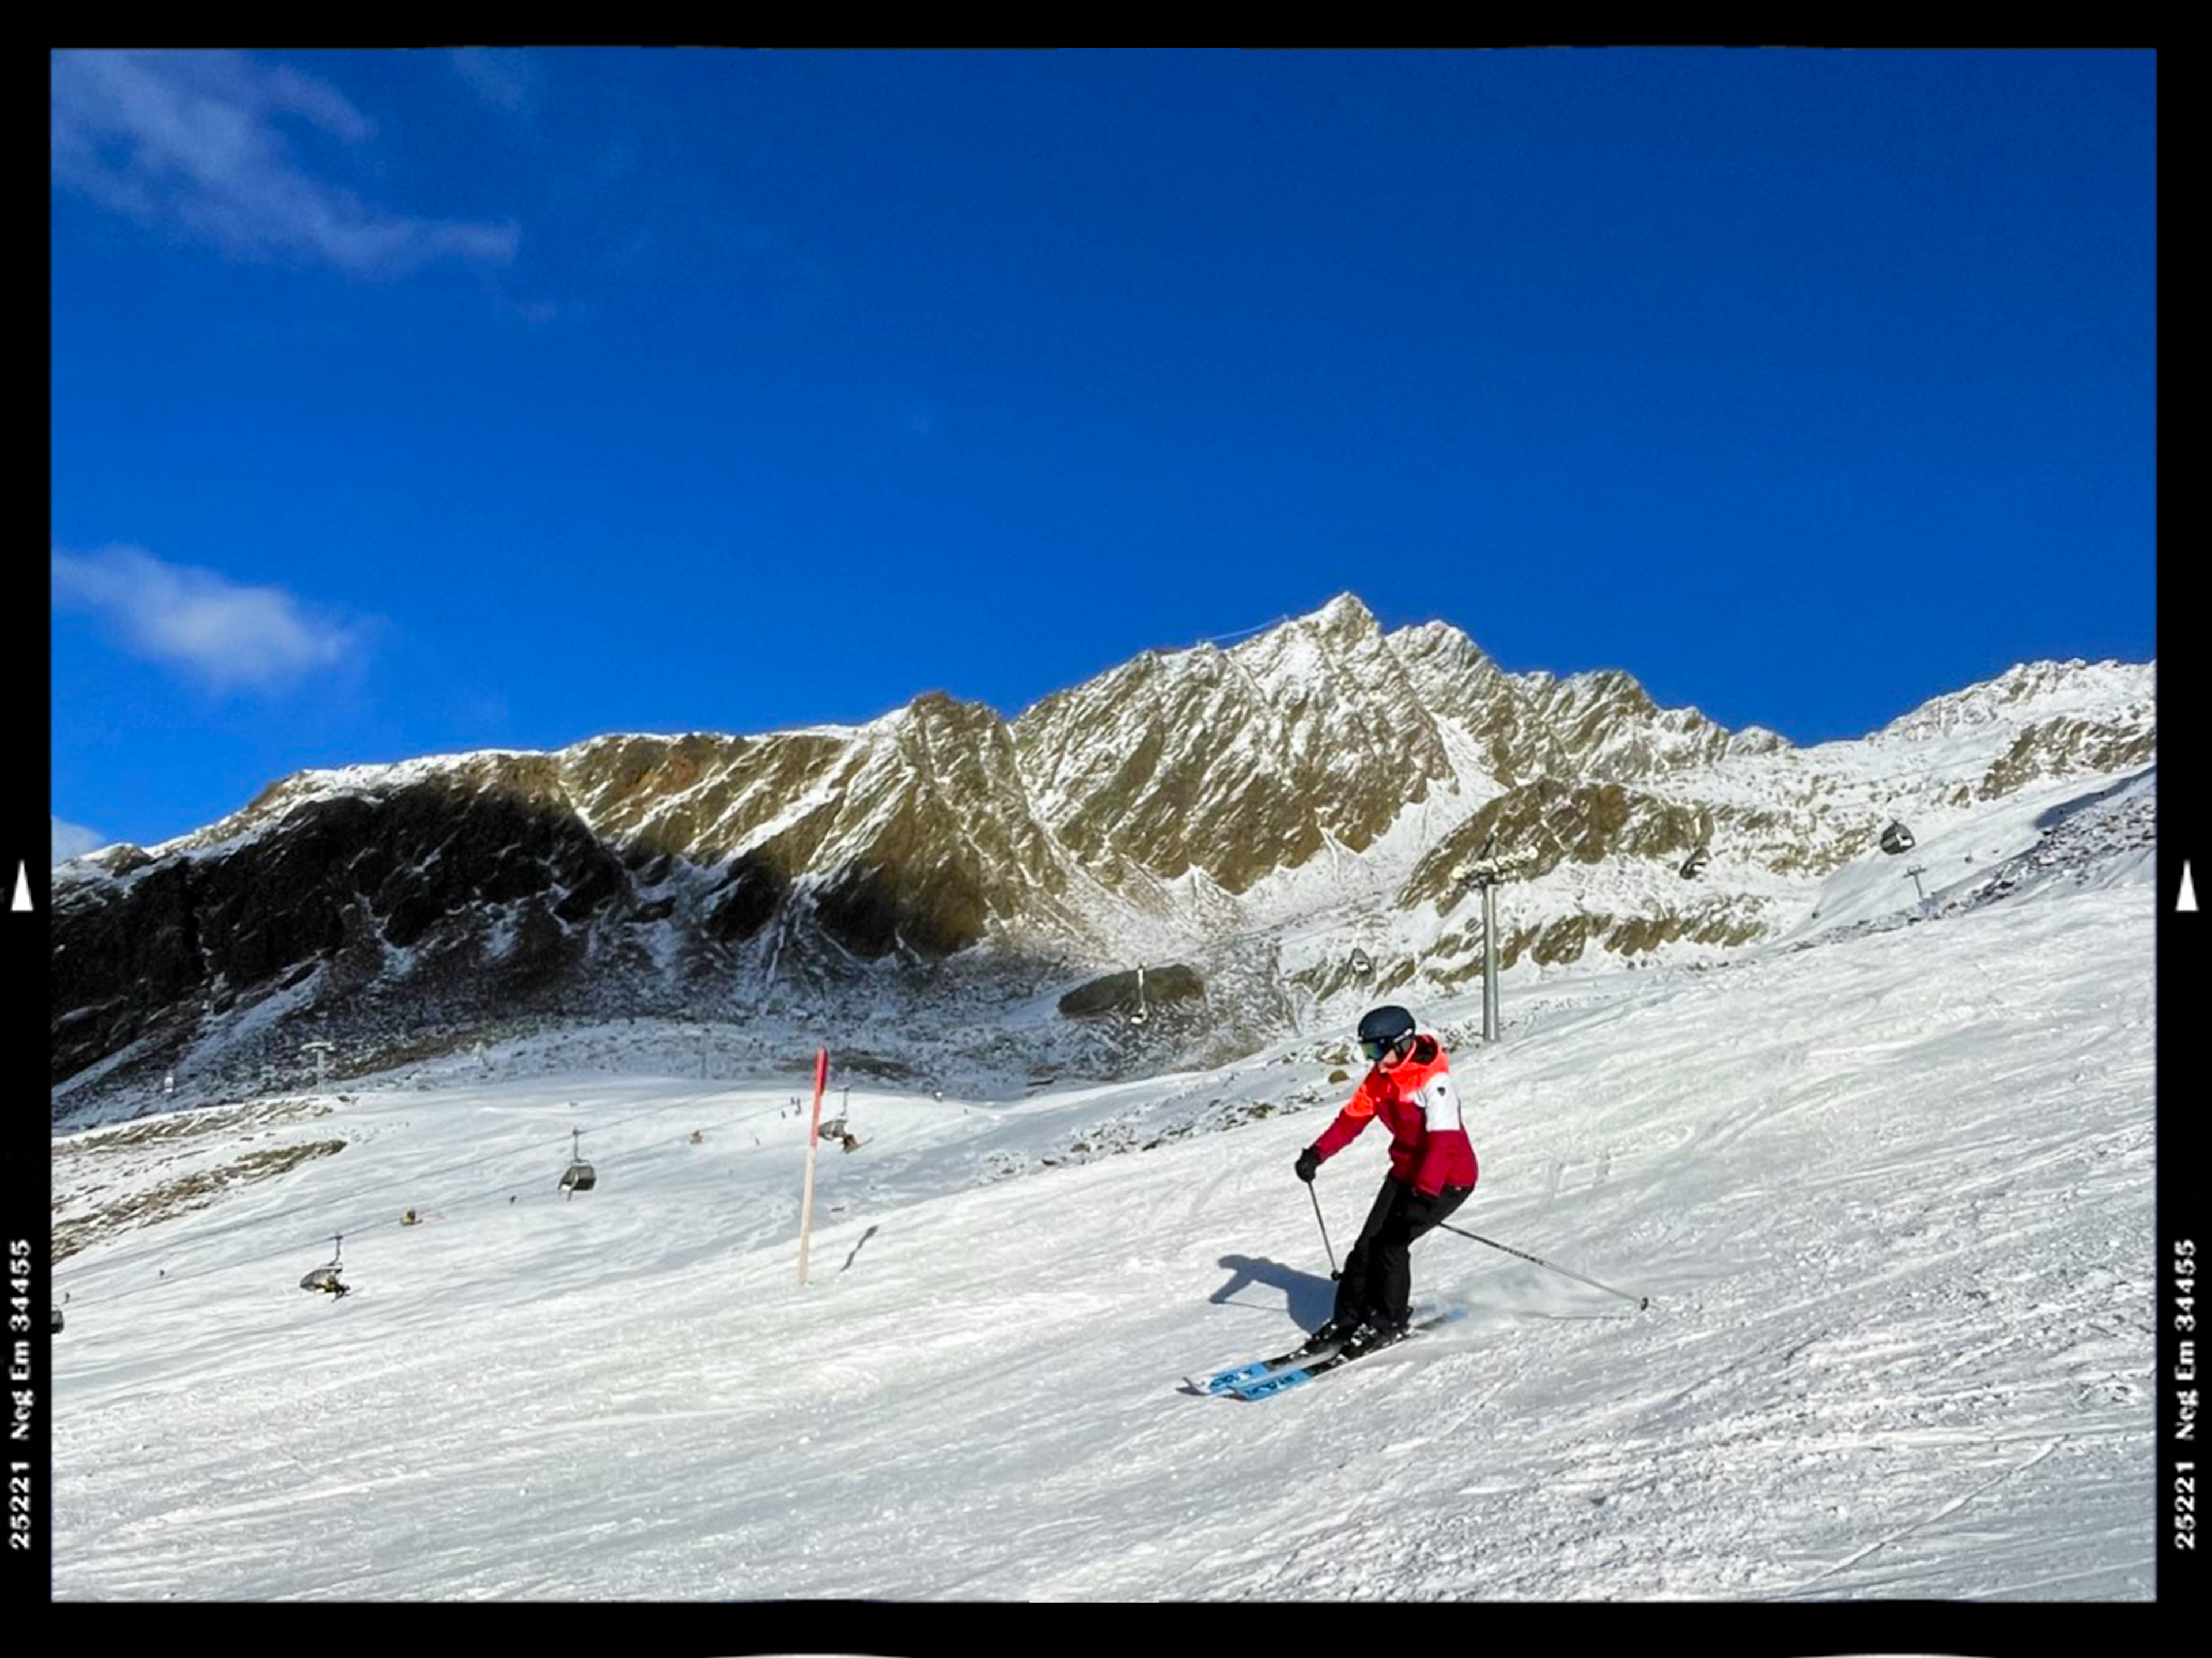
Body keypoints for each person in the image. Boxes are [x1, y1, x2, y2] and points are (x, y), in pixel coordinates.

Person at [1294, 1004, 1477, 1358]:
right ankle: (1347, 1321)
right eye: (1368, 1052)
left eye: (1379, 1051)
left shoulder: (1433, 1082)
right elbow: (1350, 1121)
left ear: (1404, 1043)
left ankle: (1389, 1322)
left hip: (1447, 1180)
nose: (1375, 1061)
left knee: (1391, 1245)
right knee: (1365, 1247)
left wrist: (1423, 1196)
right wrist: (1317, 1154)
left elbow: (1443, 1144)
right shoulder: (1381, 1080)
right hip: (1405, 1174)